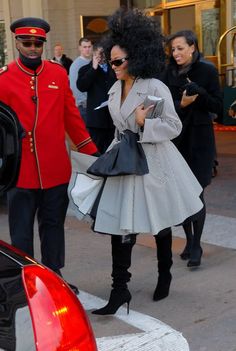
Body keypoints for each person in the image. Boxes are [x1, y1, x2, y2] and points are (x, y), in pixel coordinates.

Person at [85, 9, 204, 315]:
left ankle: (165, 272)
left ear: (135, 58)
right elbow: (117, 126)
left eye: (118, 61)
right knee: (120, 227)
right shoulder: (114, 88)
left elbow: (173, 126)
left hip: (153, 163)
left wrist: (143, 125)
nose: (113, 67)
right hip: (125, 163)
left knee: (159, 225)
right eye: (110, 61)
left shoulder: (154, 86)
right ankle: (119, 290)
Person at [0, 17, 98, 294]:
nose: (32, 48)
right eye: (26, 42)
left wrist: (92, 153)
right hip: (20, 172)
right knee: (20, 231)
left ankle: (54, 277)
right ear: (17, 43)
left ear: (43, 44)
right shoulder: (3, 79)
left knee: (53, 226)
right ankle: (26, 282)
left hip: (55, 169)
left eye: (37, 43)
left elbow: (72, 117)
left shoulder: (57, 74)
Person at [161, 30, 223, 267]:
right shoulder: (166, 73)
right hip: (175, 141)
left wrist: (201, 93)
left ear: (192, 47)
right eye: (173, 49)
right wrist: (181, 104)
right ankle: (188, 240)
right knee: (180, 194)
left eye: (179, 48)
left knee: (196, 193)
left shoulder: (206, 70)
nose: (175, 53)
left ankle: (196, 244)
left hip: (200, 141)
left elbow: (218, 106)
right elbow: (161, 107)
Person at [77, 41, 116, 153]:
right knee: (96, 151)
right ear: (94, 54)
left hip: (112, 118)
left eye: (103, 54)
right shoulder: (85, 69)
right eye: (99, 54)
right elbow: (82, 86)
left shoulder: (113, 68)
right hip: (96, 120)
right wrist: (93, 68)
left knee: (112, 151)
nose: (101, 57)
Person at [69, 37, 93, 122]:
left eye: (89, 47)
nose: (87, 49)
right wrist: (84, 102)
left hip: (92, 104)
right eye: (84, 47)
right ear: (80, 48)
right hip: (84, 106)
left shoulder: (92, 62)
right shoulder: (76, 65)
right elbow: (75, 87)